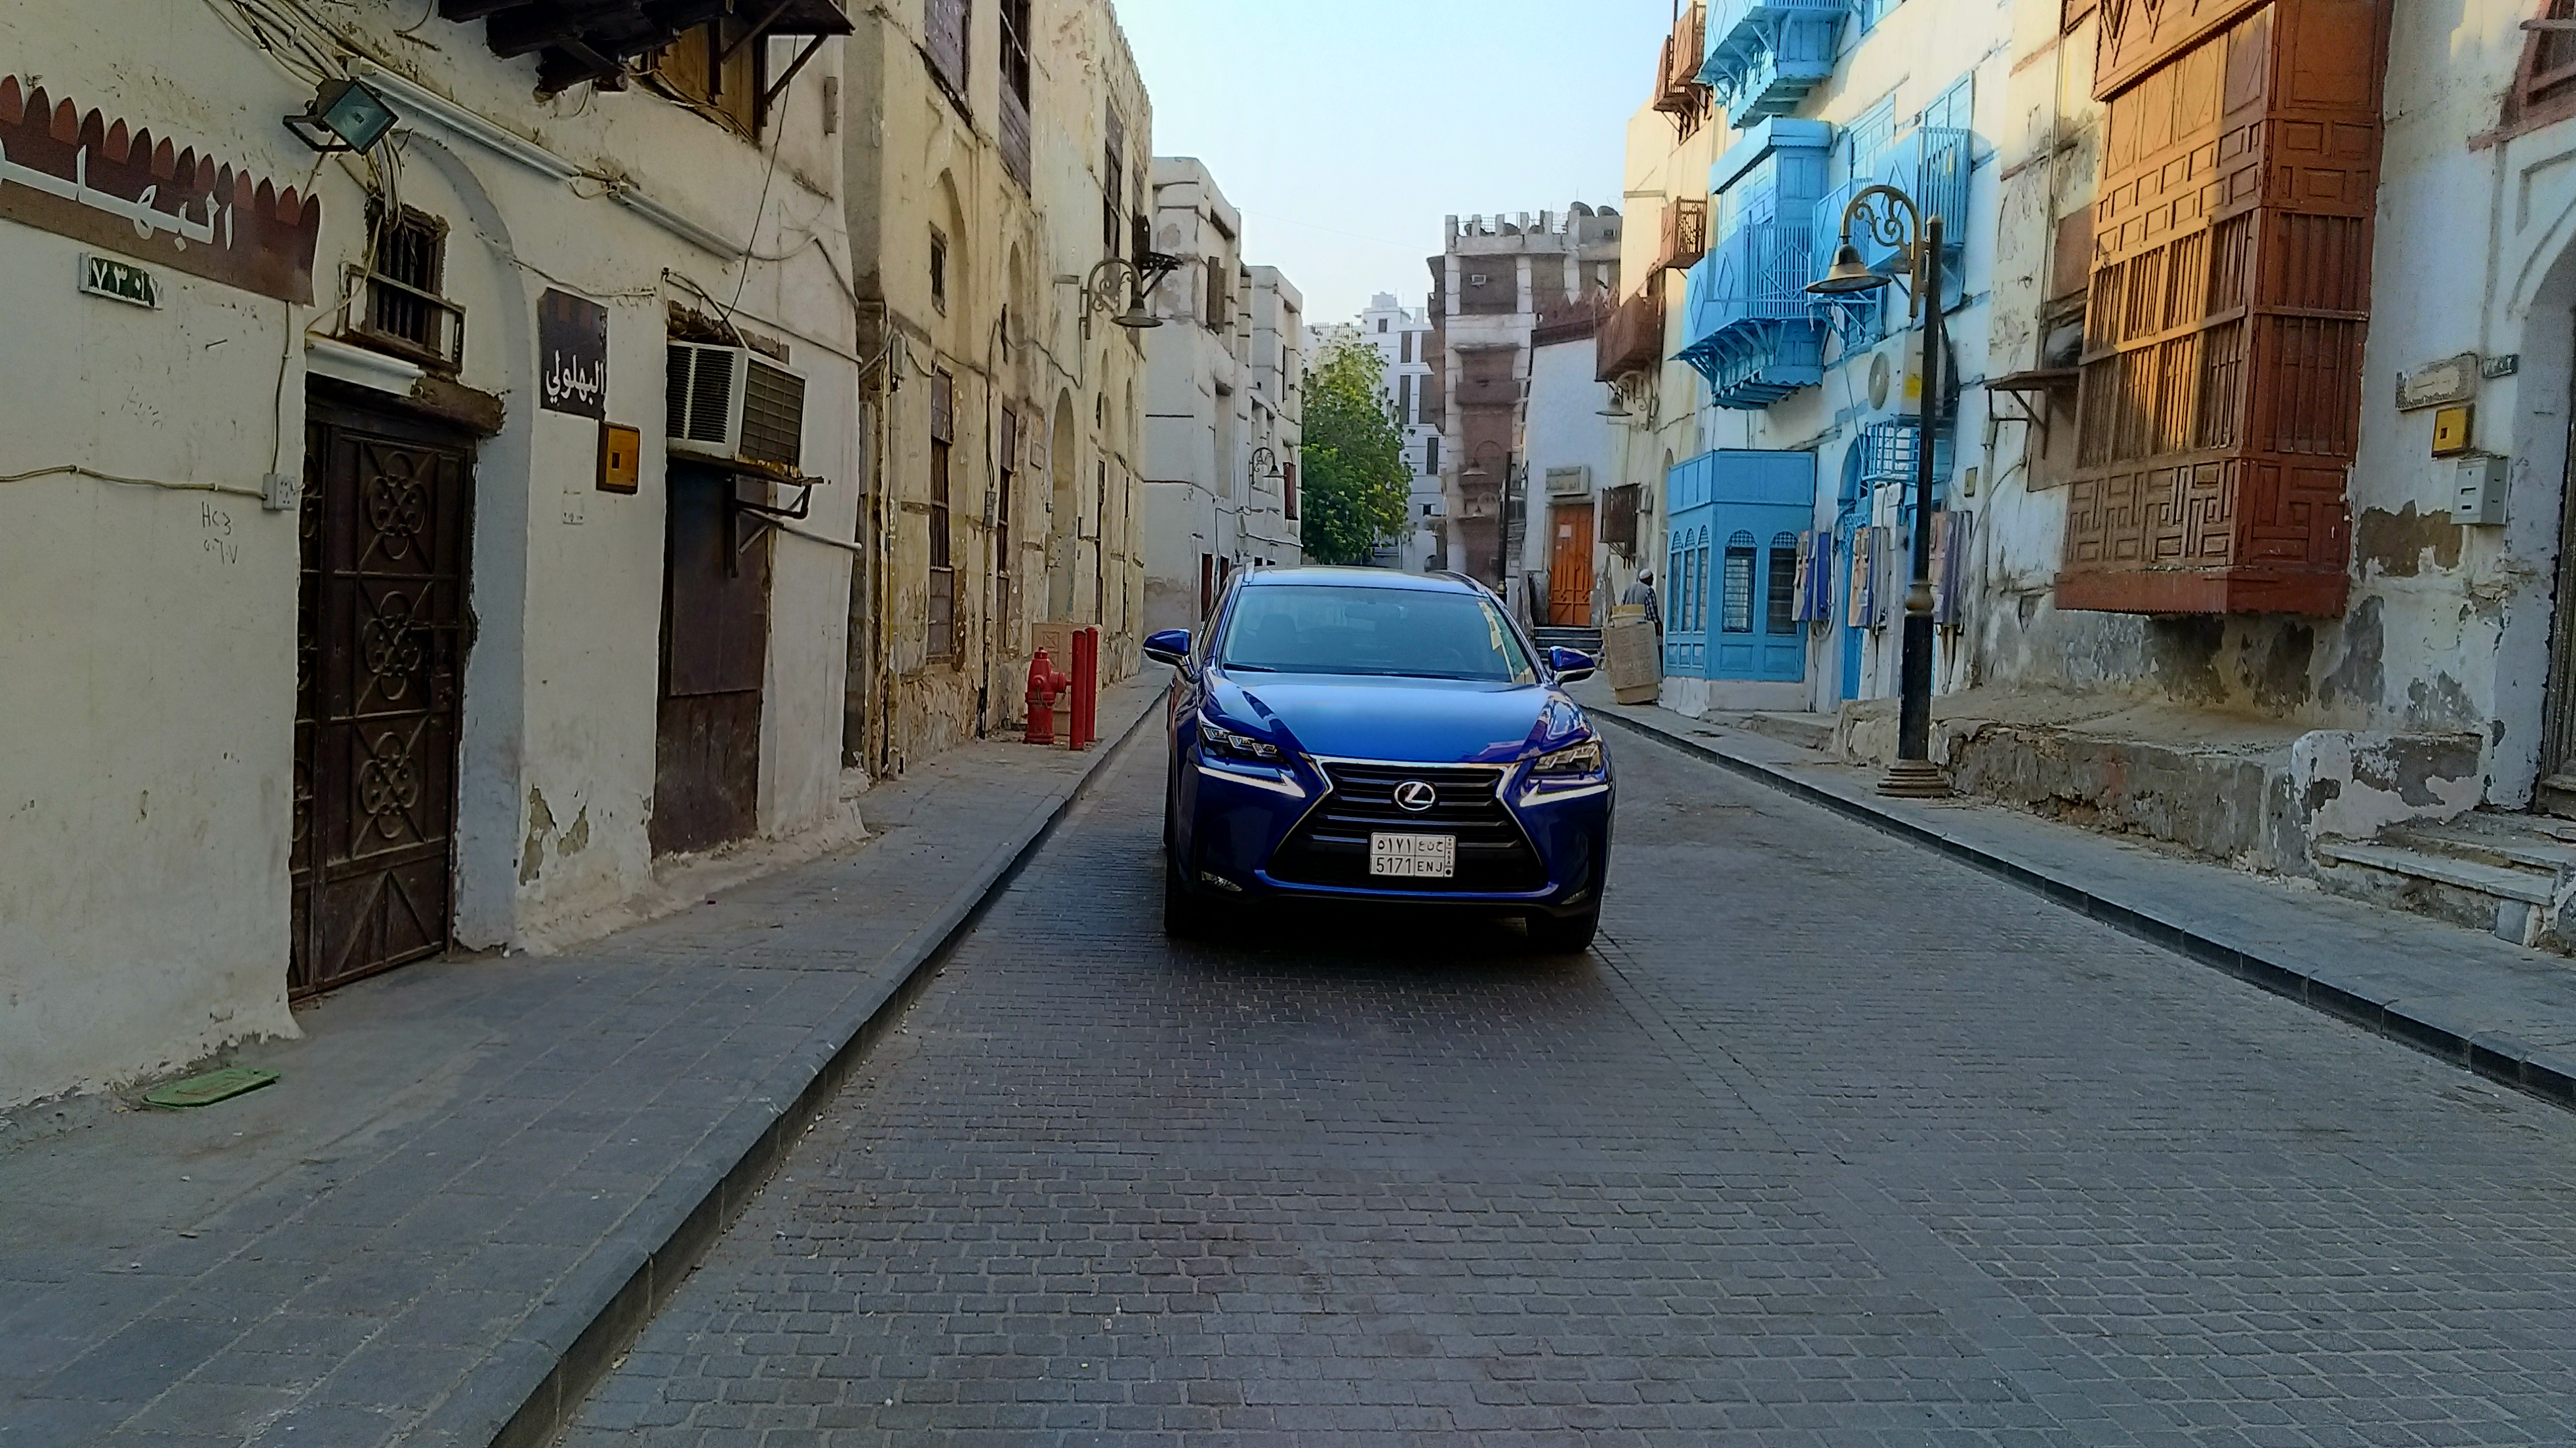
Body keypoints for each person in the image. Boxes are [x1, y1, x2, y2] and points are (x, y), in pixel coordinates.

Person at [1622, 571, 1661, 635]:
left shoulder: (1629, 588)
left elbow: (1623, 606)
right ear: (1647, 579)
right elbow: (1651, 611)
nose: (1653, 580)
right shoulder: (1648, 590)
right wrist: (1657, 625)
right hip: (1643, 627)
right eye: (1652, 578)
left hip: (1628, 625)